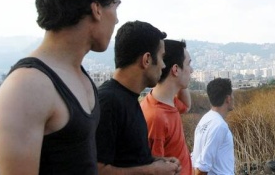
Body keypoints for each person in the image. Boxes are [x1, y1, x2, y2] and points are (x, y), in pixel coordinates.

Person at [0, 0, 121, 175]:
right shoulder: (28, 86)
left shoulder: (78, 75)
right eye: (115, 6)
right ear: (97, 9)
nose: (117, 18)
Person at [96, 21, 181, 175]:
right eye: (162, 58)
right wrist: (152, 171)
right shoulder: (108, 102)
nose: (163, 65)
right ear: (147, 59)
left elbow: (127, 158)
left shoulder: (127, 98)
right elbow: (97, 169)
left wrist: (158, 161)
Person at [141, 39, 194, 175]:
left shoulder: (168, 102)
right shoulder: (156, 117)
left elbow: (187, 106)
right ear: (175, 69)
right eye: (188, 64)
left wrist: (180, 83)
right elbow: (154, 169)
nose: (192, 70)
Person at [191, 78, 235, 175]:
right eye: (232, 94)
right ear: (228, 98)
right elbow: (202, 167)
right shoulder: (219, 126)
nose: (233, 97)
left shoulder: (204, 120)